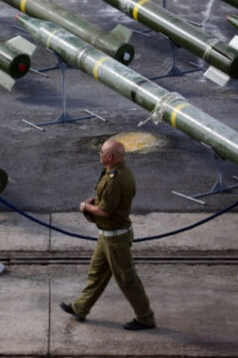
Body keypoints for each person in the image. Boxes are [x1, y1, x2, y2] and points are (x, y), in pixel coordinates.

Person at [59, 139, 156, 331]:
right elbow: (110, 201)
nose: (99, 155)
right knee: (96, 273)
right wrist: (97, 201)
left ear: (109, 157)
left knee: (127, 280)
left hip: (115, 239)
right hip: (108, 236)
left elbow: (105, 211)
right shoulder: (120, 173)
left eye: (101, 152)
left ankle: (145, 318)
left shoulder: (115, 179)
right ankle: (81, 308)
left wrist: (86, 207)